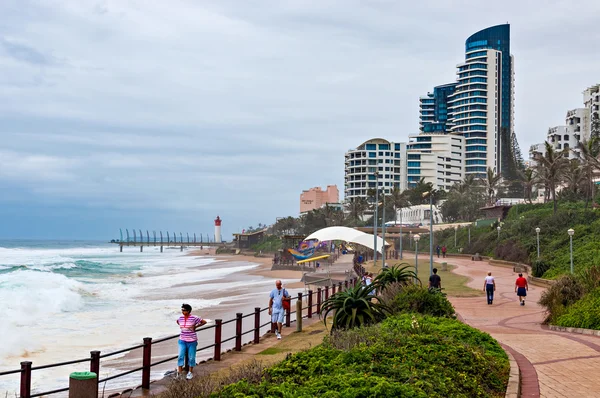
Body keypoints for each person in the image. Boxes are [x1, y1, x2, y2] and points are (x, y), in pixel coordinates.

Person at [176, 303, 207, 380]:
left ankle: (190, 372)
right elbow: (178, 322)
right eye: (182, 310)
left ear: (189, 311)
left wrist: (195, 326)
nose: (183, 311)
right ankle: (179, 373)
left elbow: (204, 322)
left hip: (192, 340)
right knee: (180, 356)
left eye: (184, 310)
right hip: (182, 340)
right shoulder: (180, 318)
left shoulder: (194, 318)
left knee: (191, 357)